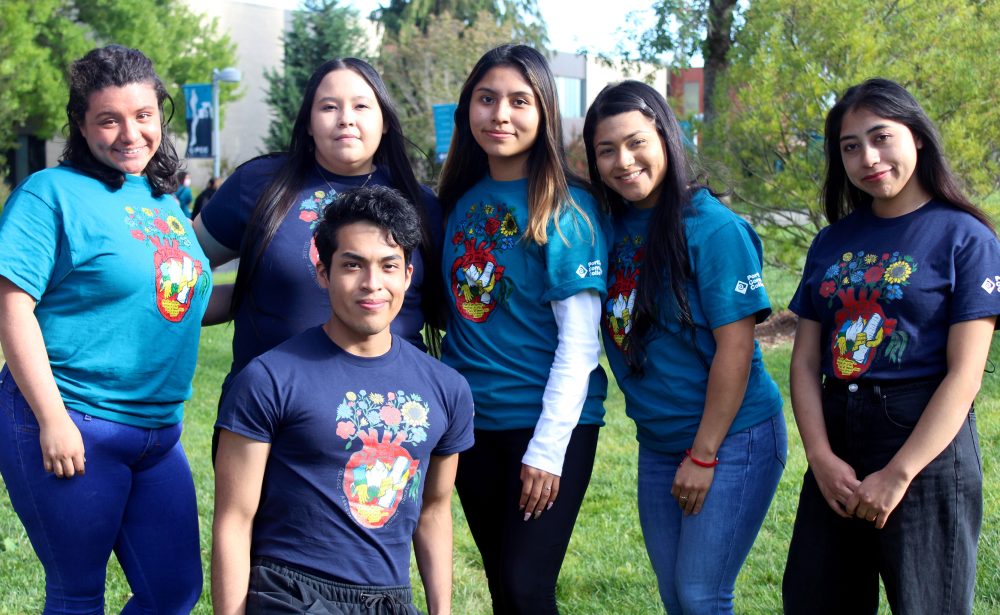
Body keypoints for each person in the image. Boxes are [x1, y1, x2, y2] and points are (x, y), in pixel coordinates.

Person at [0, 45, 209, 613]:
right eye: (108, 119)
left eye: (142, 115)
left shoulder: (162, 199)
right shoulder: (50, 194)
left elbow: (177, 299)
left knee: (174, 590)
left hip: (158, 433)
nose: (129, 133)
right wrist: (52, 419)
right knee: (77, 594)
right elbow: (11, 306)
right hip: (75, 421)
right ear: (82, 124)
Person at [782, 78, 999, 614]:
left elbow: (965, 375)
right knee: (814, 600)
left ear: (917, 137)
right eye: (850, 146)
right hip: (837, 441)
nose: (868, 157)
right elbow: (806, 363)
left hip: (923, 442)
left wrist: (899, 474)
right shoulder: (832, 241)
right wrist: (820, 457)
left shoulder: (965, 237)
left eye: (881, 137)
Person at [212, 186, 474, 615]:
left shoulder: (446, 388)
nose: (372, 284)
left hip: (391, 599)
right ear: (323, 272)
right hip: (291, 593)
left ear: (408, 276)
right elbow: (233, 520)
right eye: (352, 265)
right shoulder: (268, 379)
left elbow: (433, 512)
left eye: (388, 266)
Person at [582, 80, 786, 614]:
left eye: (635, 142)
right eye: (607, 150)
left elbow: (736, 351)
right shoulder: (608, 226)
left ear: (666, 137)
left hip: (731, 436)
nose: (624, 161)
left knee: (701, 596)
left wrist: (703, 454)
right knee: (677, 597)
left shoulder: (713, 229)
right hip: (658, 441)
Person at [437, 44, 609, 614]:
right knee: (503, 589)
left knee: (525, 586)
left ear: (545, 111)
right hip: (471, 427)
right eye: (486, 100)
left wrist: (547, 449)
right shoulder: (458, 200)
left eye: (518, 100)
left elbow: (581, 345)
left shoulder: (567, 208)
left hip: (545, 427)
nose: (500, 115)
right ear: (468, 110)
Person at [193, 57, 442, 398]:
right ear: (308, 122)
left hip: (389, 412)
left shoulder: (421, 203)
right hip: (269, 412)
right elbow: (180, 266)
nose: (346, 119)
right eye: (328, 107)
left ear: (384, 121)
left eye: (361, 106)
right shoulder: (259, 184)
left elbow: (449, 310)